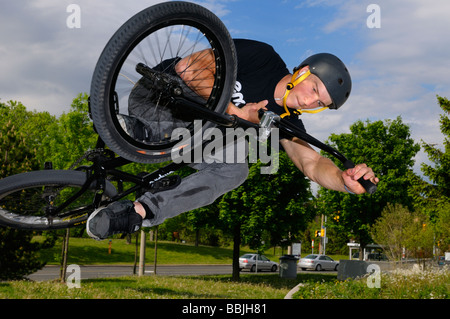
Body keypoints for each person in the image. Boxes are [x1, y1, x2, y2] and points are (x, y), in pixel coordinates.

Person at [86, 39, 379, 241]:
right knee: (226, 121)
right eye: (314, 89)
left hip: (181, 136)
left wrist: (343, 180)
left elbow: (312, 163)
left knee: (236, 169)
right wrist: (235, 112)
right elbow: (189, 67)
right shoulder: (264, 58)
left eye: (320, 104)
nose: (311, 101)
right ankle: (133, 130)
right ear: (302, 72)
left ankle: (137, 212)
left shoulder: (285, 122)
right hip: (156, 98)